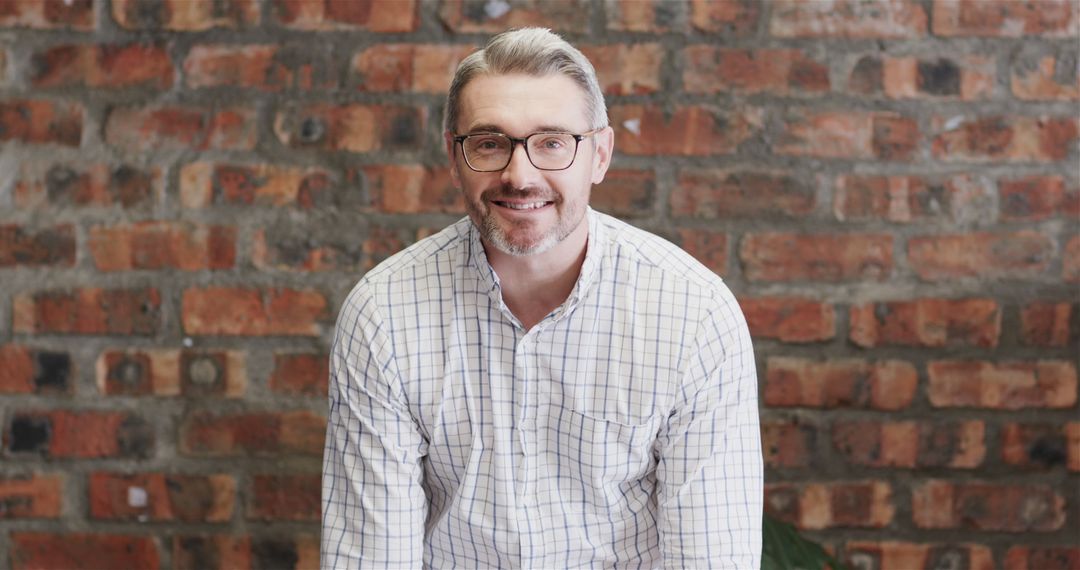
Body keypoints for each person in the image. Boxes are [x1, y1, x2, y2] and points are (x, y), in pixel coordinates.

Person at [321, 27, 762, 569]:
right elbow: (373, 557)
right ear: (454, 158)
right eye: (489, 143)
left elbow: (712, 557)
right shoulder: (384, 314)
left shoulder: (694, 315)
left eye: (552, 142)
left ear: (599, 155)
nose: (520, 174)